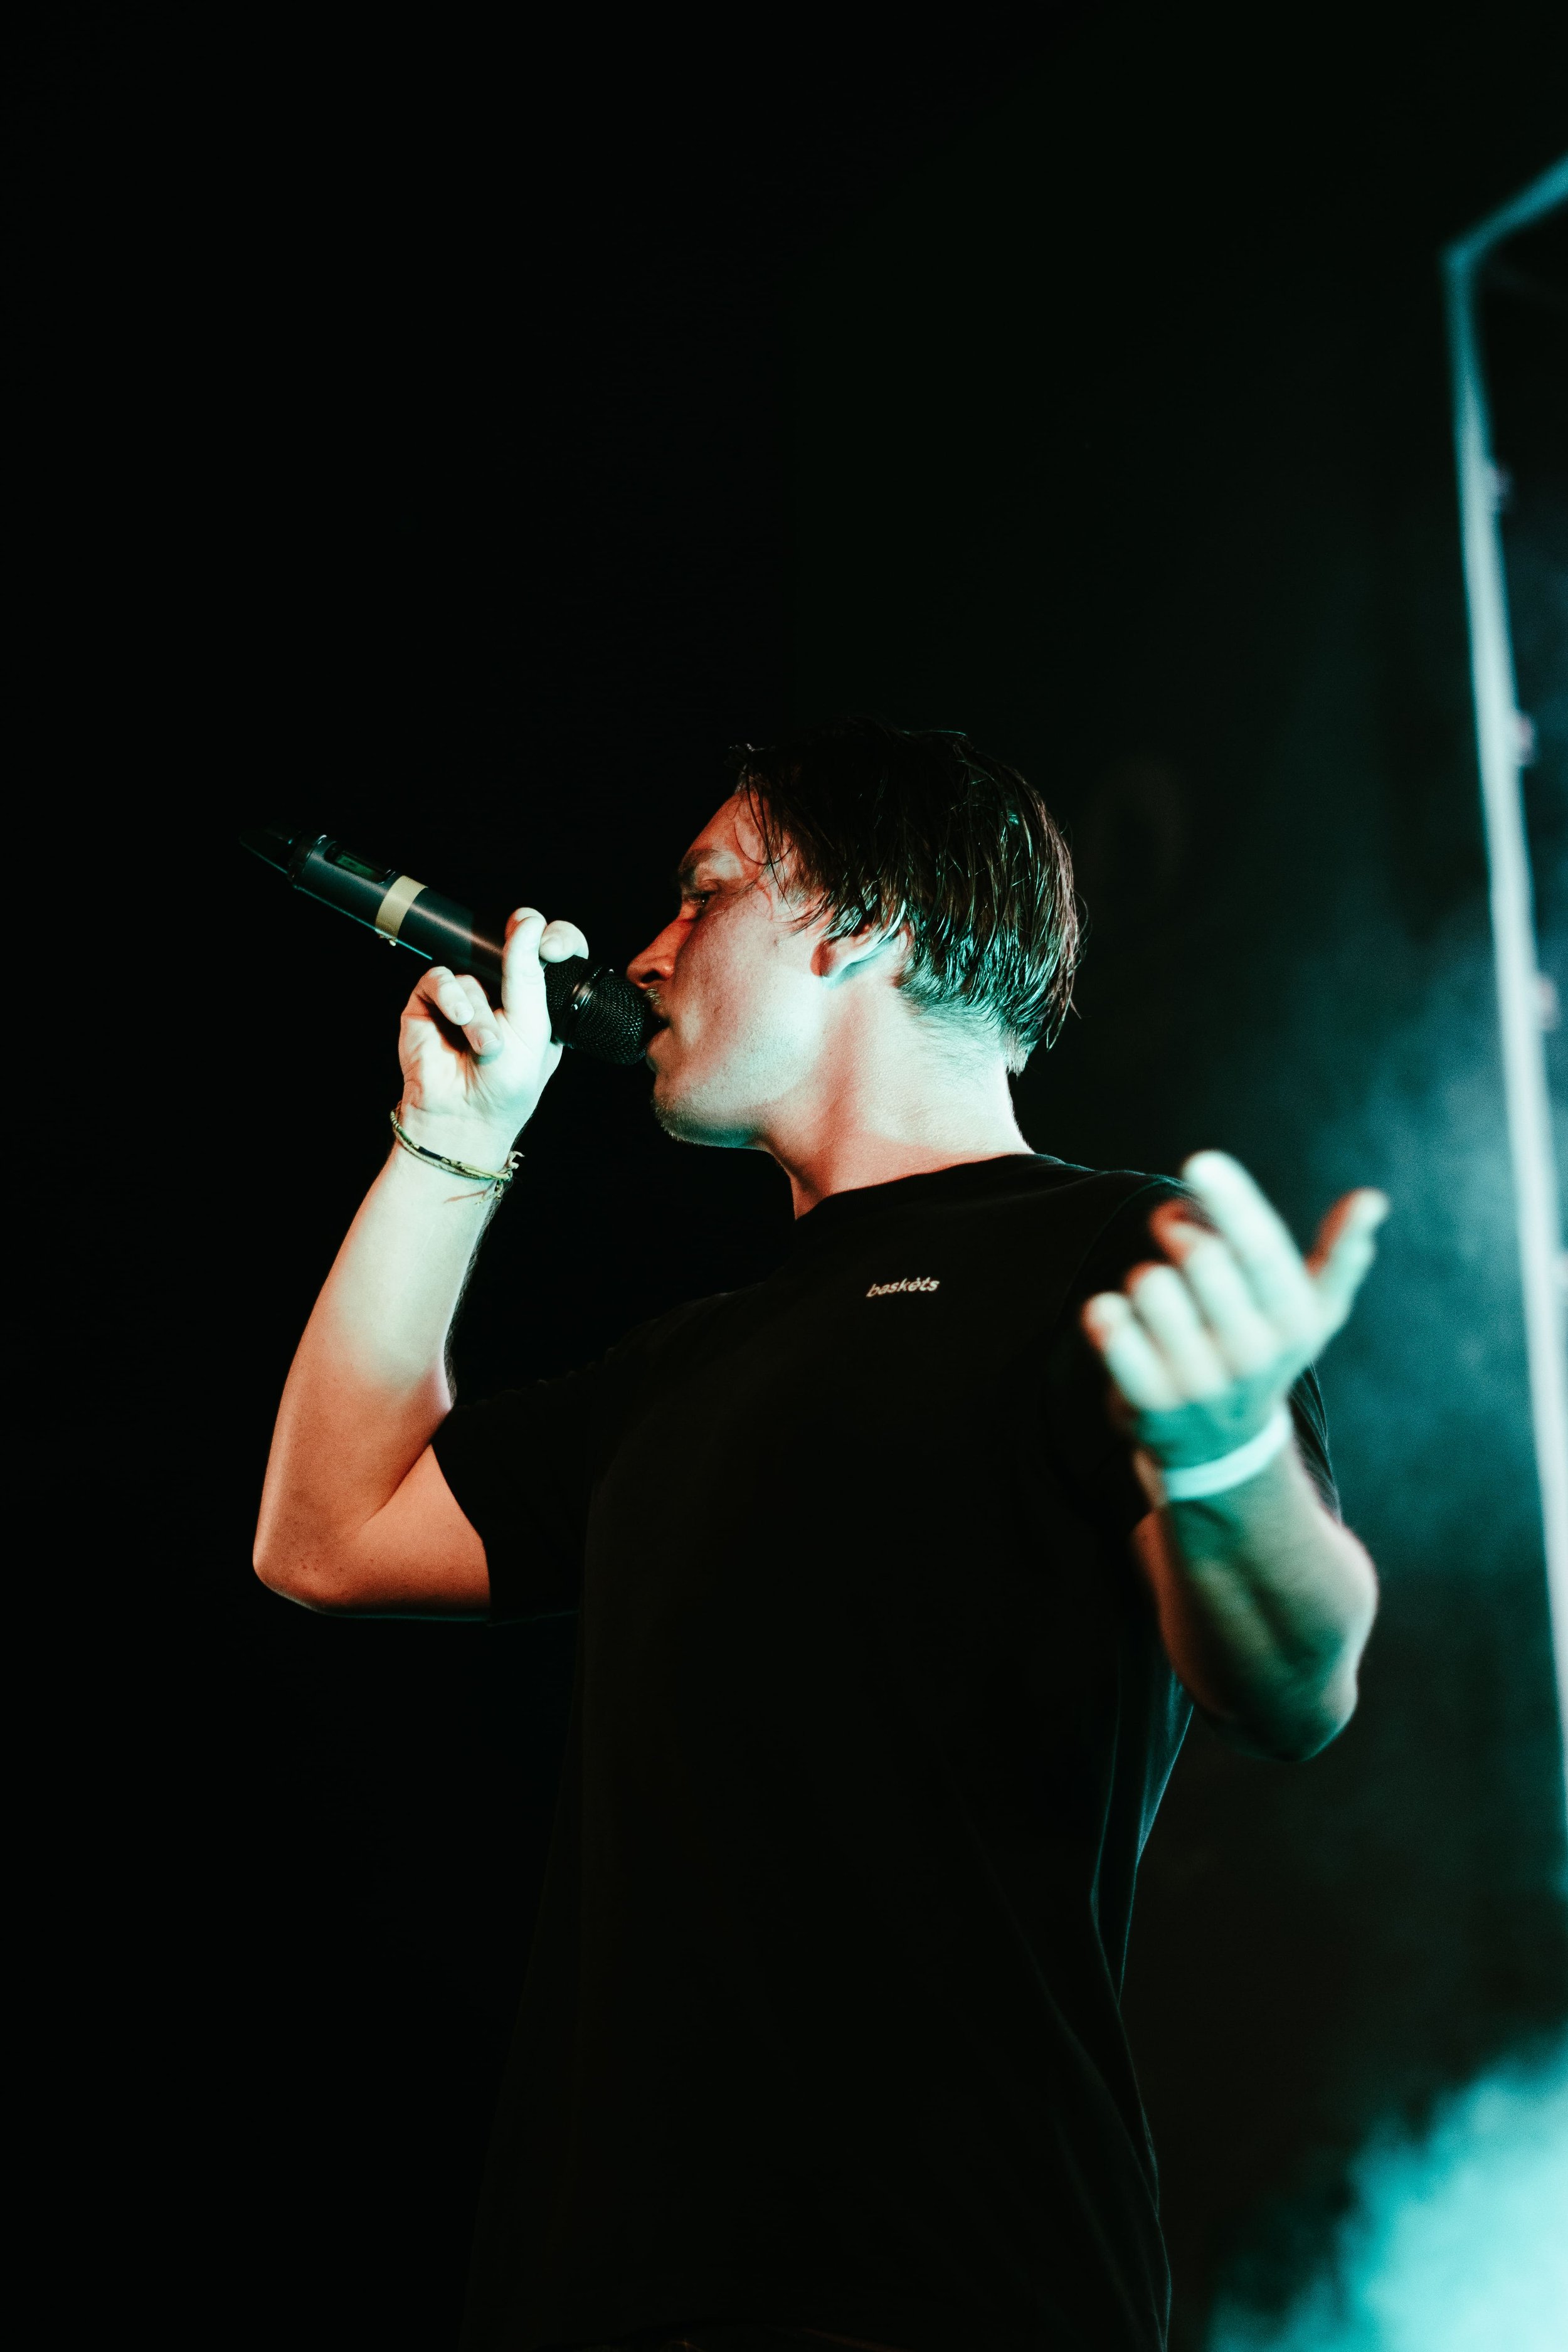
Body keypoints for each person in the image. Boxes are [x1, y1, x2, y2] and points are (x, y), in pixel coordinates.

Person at [254, 718, 1385, 2352]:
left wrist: (1221, 1466)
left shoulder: (1114, 1251)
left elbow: (1296, 1686)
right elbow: (328, 1532)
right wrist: (451, 1139)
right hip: (605, 2276)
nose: (646, 952)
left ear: (857, 921)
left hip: (944, 2271)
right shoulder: (694, 1357)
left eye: (702, 892)